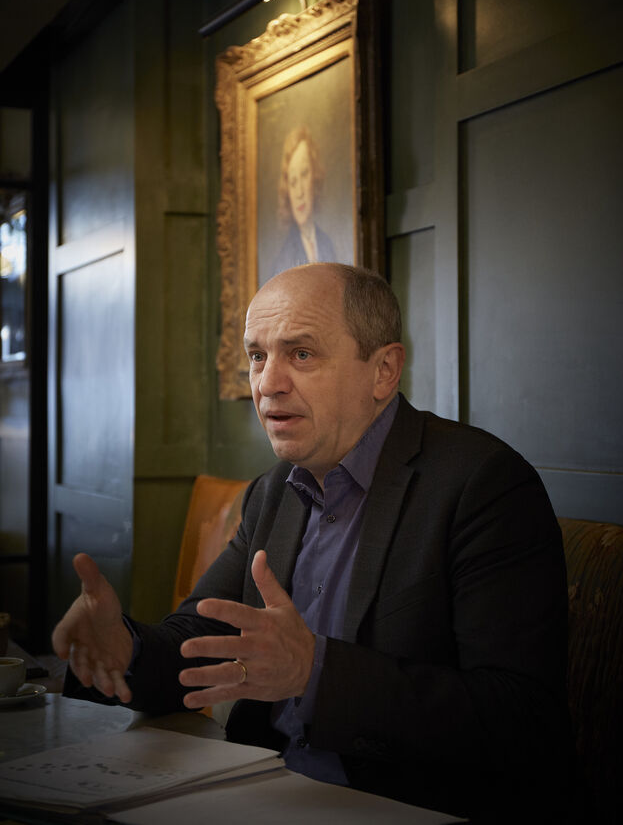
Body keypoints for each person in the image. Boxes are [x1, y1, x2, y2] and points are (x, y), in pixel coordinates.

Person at [53, 263, 574, 823]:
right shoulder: (273, 490)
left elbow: (519, 719)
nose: (267, 383)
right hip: (262, 794)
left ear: (383, 371)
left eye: (301, 354)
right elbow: (202, 639)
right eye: (258, 355)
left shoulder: (483, 484)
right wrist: (125, 648)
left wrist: (315, 672)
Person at [270, 126, 336, 277]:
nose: (299, 193)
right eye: (293, 182)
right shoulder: (283, 259)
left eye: (304, 174)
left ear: (315, 176)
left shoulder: (327, 243)